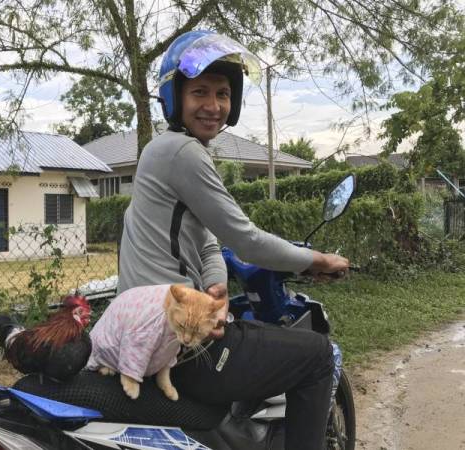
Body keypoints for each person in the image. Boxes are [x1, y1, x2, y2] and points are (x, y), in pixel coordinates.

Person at [117, 30, 350, 450]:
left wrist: (215, 285)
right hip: (178, 347)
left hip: (152, 330)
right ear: (174, 97)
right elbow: (245, 240)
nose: (213, 105)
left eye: (223, 94)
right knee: (318, 355)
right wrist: (318, 260)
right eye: (200, 92)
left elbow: (208, 240)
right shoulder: (182, 153)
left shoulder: (165, 150)